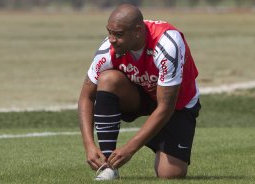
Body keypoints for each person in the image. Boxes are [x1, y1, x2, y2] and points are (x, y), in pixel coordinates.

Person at [78, 3, 201, 180]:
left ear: (137, 31)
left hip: (176, 104)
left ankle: (158, 137)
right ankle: (108, 166)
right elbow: (86, 97)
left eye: (118, 34)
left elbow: (166, 107)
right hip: (139, 95)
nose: (111, 39)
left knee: (170, 174)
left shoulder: (167, 44)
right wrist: (89, 145)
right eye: (109, 32)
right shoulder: (108, 48)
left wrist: (130, 148)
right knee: (108, 80)